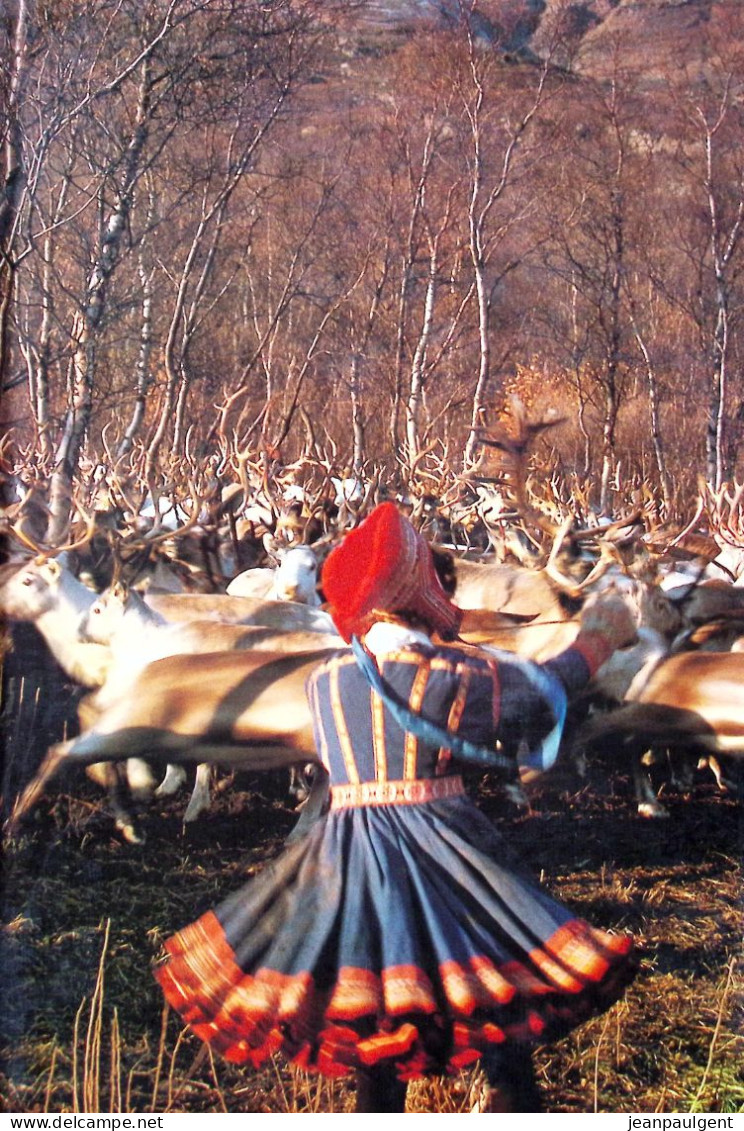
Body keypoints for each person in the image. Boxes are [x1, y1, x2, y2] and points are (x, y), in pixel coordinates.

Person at [155, 502, 639, 1113]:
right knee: (490, 996)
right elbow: (537, 695)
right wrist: (598, 637)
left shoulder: (324, 682)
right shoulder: (451, 673)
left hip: (346, 855)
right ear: (417, 595)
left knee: (375, 1010)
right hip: (446, 849)